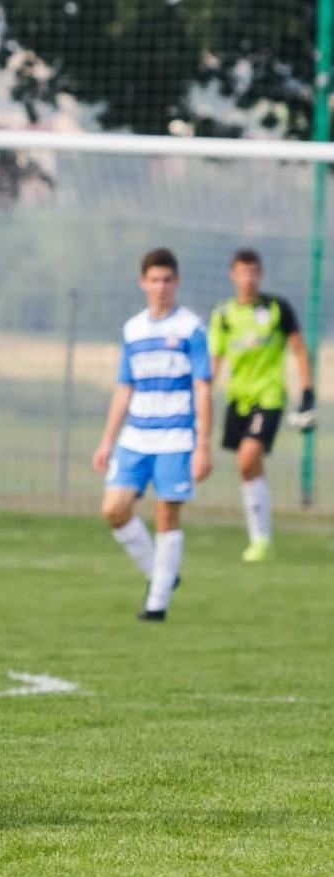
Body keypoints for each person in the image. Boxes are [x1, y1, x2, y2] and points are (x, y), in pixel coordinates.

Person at [93, 248, 213, 621]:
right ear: (143, 282)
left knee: (166, 516)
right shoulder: (133, 330)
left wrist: (203, 445)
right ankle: (162, 576)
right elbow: (124, 388)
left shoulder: (191, 329)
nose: (161, 287)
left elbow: (203, 388)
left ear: (177, 282)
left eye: (167, 280)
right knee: (114, 509)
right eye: (154, 280)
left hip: (175, 438)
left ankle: (156, 604)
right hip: (136, 436)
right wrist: (107, 440)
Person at [207, 248, 316, 562]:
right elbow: (215, 360)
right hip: (237, 398)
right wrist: (201, 396)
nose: (248, 278)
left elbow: (299, 348)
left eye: (253, 272)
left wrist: (306, 392)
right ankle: (261, 538)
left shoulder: (276, 308)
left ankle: (261, 540)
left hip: (268, 397)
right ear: (233, 275)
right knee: (248, 468)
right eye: (243, 272)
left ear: (261, 274)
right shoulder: (223, 314)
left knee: (247, 458)